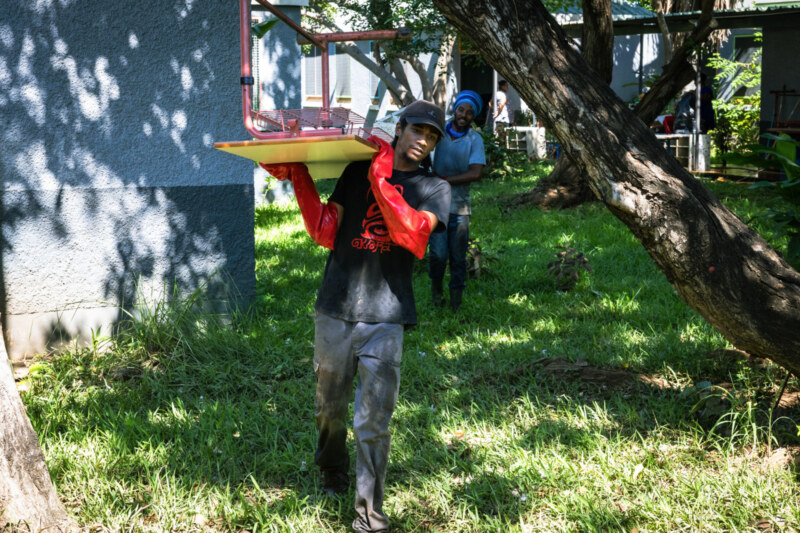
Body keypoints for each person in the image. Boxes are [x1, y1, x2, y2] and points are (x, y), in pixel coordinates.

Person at [260, 100, 450, 533]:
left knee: (374, 421)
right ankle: (332, 469)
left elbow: (412, 236)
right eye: (418, 130)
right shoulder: (356, 171)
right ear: (399, 129)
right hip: (335, 307)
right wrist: (299, 176)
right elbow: (325, 231)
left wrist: (382, 177)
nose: (423, 140)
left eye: (432, 136)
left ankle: (369, 516)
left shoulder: (435, 188)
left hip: (387, 316)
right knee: (330, 408)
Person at [428, 90, 486, 311]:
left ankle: (455, 305)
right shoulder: (438, 134)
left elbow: (476, 173)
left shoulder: (474, 140)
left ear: (474, 116)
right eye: (461, 109)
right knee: (438, 254)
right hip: (435, 206)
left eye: (470, 112)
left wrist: (444, 180)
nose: (464, 115)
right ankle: (436, 293)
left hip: (460, 209)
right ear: (455, 109)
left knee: (458, 258)